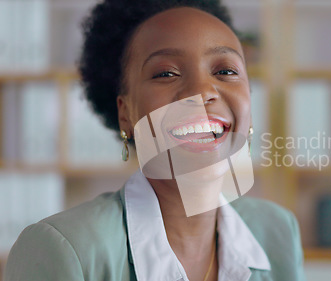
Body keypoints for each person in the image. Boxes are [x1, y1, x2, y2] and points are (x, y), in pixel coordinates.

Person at [4, 0, 305, 280]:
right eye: (166, 73)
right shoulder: (63, 250)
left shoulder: (277, 231)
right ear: (126, 114)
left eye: (225, 70)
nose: (201, 92)